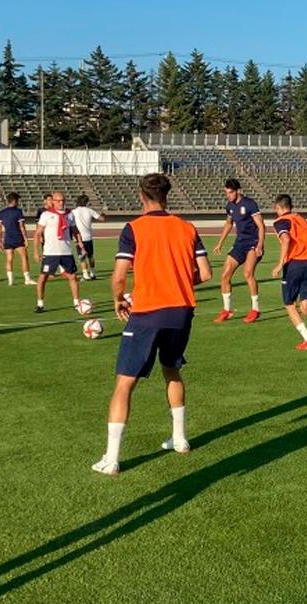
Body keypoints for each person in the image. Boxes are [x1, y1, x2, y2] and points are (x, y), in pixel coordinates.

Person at [93, 173, 211, 476]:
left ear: (142, 196)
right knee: (171, 369)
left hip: (147, 312)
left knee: (125, 383)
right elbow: (206, 273)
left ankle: (112, 458)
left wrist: (119, 299)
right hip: (182, 311)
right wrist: (180, 281)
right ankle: (180, 439)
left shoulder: (134, 228)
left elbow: (119, 275)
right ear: (167, 195)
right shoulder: (187, 227)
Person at [269, 194, 307, 350]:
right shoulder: (301, 219)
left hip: (294, 266)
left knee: (289, 305)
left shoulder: (281, 221)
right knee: (305, 305)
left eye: (275, 209)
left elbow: (286, 239)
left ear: (280, 207)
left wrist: (280, 263)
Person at [211, 178, 265, 324]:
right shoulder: (229, 206)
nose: (228, 195)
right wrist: (220, 243)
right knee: (225, 274)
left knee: (247, 273)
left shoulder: (250, 204)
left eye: (230, 192)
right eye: (226, 192)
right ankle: (227, 310)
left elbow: (261, 226)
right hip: (240, 244)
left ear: (238, 191)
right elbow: (228, 224)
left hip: (253, 243)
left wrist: (260, 245)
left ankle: (255, 309)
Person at [33, 190, 85, 313]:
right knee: (43, 278)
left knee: (73, 277)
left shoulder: (70, 214)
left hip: (66, 251)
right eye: (58, 200)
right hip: (50, 252)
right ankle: (40, 304)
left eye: (63, 200)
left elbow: (75, 230)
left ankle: (77, 303)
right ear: (53, 201)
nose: (61, 202)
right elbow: (38, 233)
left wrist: (80, 243)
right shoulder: (46, 214)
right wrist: (36, 251)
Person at [0, 192, 36, 286]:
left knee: (9, 259)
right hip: (17, 237)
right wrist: (26, 239)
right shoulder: (18, 211)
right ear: (14, 201)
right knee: (24, 257)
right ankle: (27, 279)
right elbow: (22, 226)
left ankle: (10, 280)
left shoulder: (2, 212)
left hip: (8, 238)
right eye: (17, 200)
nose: (18, 202)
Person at [71, 194, 105, 281]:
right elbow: (101, 218)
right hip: (88, 237)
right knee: (90, 256)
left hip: (79, 237)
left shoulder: (74, 211)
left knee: (82, 256)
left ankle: (85, 274)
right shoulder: (90, 211)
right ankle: (93, 273)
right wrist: (103, 213)